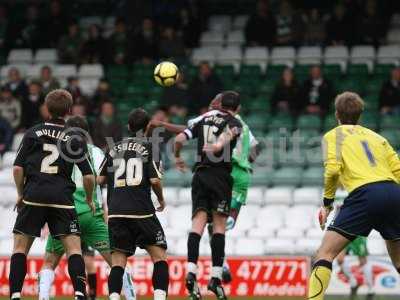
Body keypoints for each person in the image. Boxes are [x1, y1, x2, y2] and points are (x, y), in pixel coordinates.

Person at [308, 91, 400, 300]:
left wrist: (327, 203)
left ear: (337, 114)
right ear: (360, 115)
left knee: (325, 254)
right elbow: (398, 171)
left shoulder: (334, 135)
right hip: (394, 193)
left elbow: (332, 171)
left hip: (365, 194)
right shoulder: (378, 138)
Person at [38, 115, 136, 300]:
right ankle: (131, 297)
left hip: (64, 213)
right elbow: (102, 180)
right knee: (117, 261)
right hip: (92, 215)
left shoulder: (57, 152)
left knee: (50, 262)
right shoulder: (96, 152)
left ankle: (43, 297)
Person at [10, 89, 95, 300]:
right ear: (69, 110)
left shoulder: (32, 132)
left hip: (33, 195)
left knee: (20, 248)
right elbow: (89, 176)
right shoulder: (75, 137)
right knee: (74, 249)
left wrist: (21, 194)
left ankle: (15, 295)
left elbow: (17, 169)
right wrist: (89, 198)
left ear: (47, 109)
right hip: (62, 200)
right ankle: (79, 293)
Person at [174, 91, 242, 299]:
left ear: (221, 104)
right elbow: (228, 135)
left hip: (200, 175)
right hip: (220, 177)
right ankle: (215, 279)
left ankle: (191, 274)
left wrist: (177, 157)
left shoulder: (203, 117)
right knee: (219, 227)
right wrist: (218, 145)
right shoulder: (235, 121)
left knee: (197, 225)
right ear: (237, 108)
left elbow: (179, 138)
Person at [97, 108, 169, 300]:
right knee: (159, 257)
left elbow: (100, 178)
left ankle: (113, 297)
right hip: (141, 212)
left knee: (118, 261)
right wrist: (161, 199)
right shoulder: (151, 147)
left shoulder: (114, 147)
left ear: (128, 127)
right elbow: (155, 180)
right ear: (147, 127)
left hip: (116, 212)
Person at [333, 190, 374, 300]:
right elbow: (335, 211)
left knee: (362, 260)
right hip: (342, 229)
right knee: (339, 260)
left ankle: (370, 289)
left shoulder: (356, 188)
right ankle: (353, 282)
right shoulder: (334, 192)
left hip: (358, 230)